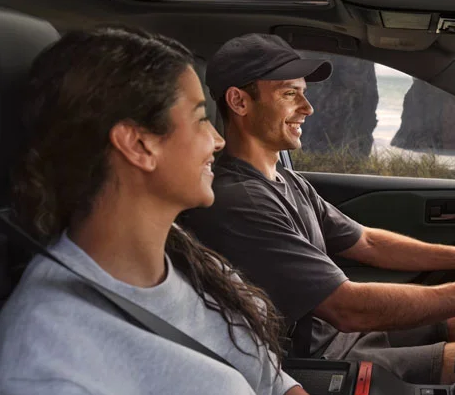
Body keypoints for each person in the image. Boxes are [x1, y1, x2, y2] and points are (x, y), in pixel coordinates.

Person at [180, 33, 455, 385]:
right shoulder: (239, 199)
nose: (307, 108)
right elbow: (347, 308)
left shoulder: (285, 181)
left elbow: (368, 243)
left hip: (350, 336)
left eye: (304, 93)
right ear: (239, 101)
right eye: (289, 94)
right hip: (313, 360)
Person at [0, 27, 304, 395]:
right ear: (139, 144)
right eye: (199, 118)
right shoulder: (48, 365)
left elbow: (272, 382)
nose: (219, 139)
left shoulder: (186, 258)